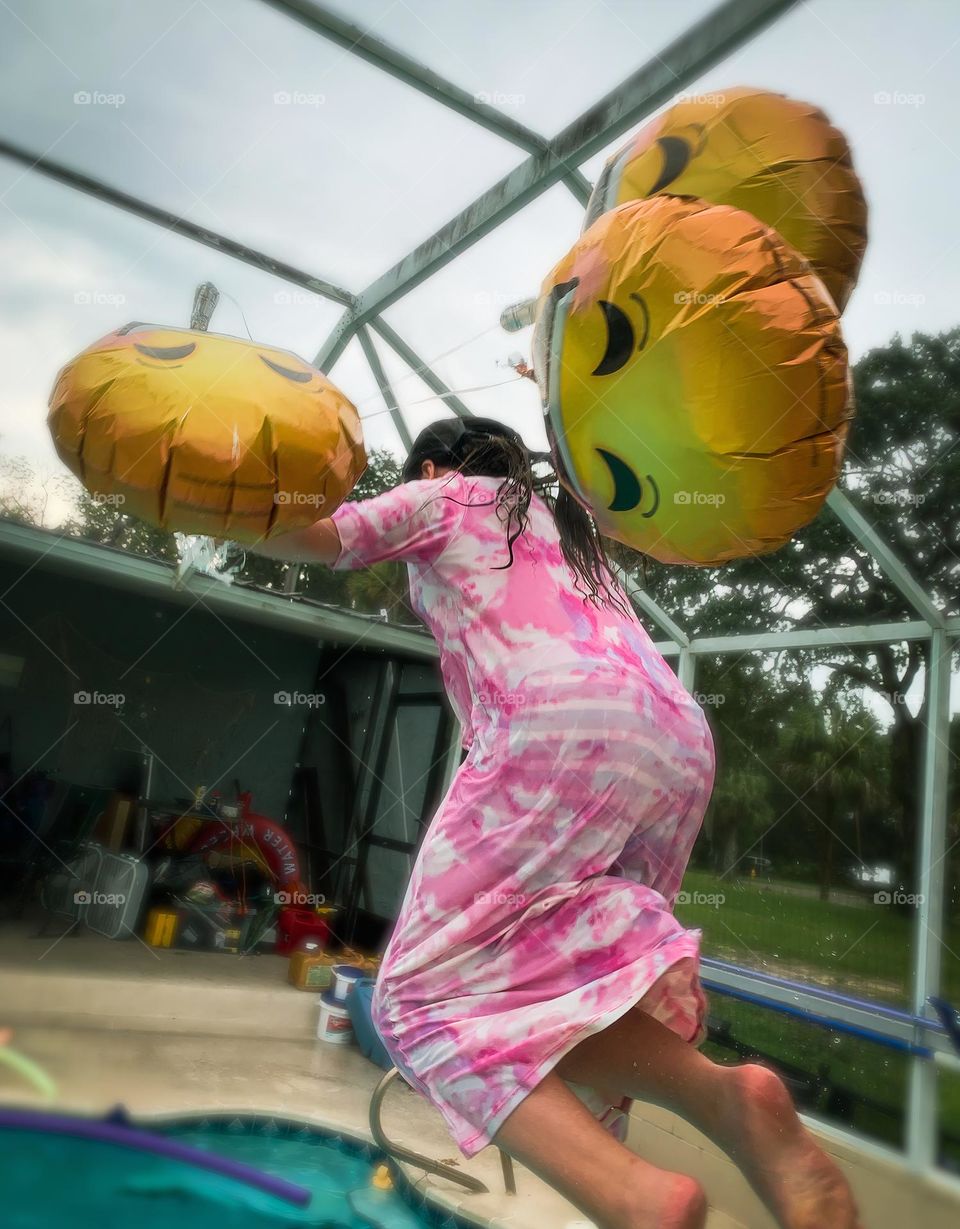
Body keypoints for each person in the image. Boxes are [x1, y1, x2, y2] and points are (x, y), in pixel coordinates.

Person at [251, 417, 862, 1229]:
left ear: (432, 464)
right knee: (577, 983)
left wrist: (198, 503)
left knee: (414, 1003)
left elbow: (318, 533)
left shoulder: (446, 493)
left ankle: (636, 1197)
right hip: (675, 738)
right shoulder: (570, 532)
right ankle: (724, 1098)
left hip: (563, 728)